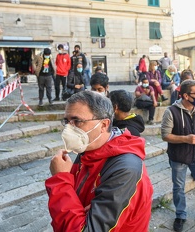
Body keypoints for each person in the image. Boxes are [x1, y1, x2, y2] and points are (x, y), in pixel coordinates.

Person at [45, 91, 153, 231]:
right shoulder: (87, 149)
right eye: (66, 121)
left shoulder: (125, 169)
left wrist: (60, 180)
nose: (68, 128)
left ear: (103, 125)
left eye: (77, 121)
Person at [161, 80, 195, 232]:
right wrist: (185, 138)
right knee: (179, 188)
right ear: (185, 95)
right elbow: (165, 135)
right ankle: (180, 215)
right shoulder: (171, 111)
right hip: (178, 156)